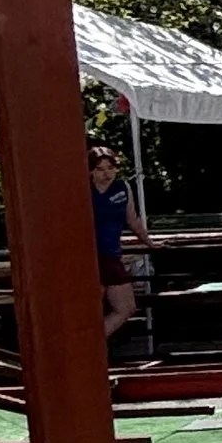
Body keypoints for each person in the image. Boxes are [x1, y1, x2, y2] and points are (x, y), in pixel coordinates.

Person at [89, 142, 146, 339]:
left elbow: (132, 219)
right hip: (90, 255)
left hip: (112, 255)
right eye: (100, 169)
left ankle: (91, 344)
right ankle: (87, 347)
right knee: (89, 310)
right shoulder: (83, 190)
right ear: (91, 171)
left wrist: (148, 241)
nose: (107, 173)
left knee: (126, 308)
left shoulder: (123, 188)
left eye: (111, 168)